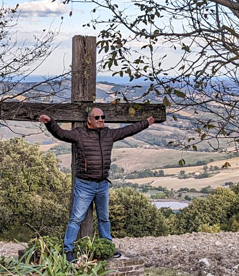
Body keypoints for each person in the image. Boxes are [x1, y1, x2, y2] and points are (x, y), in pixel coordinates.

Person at [39, 107, 155, 262]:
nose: (101, 120)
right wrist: (50, 123)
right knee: (76, 219)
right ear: (89, 120)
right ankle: (68, 250)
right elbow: (61, 133)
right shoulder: (80, 134)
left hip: (102, 185)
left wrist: (146, 123)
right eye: (98, 117)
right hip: (84, 184)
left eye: (103, 117)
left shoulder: (108, 134)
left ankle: (106, 247)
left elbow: (129, 130)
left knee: (104, 218)